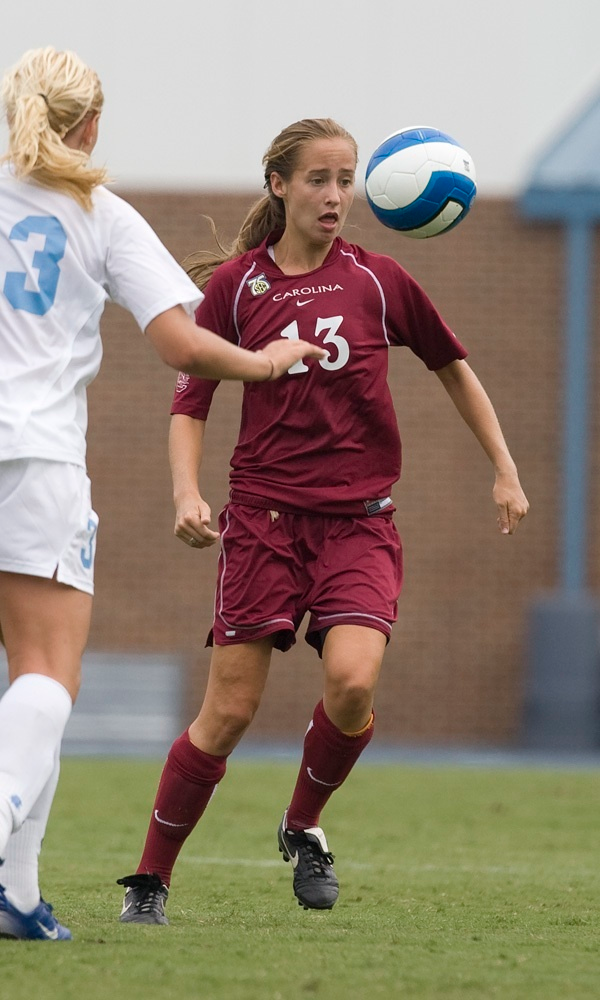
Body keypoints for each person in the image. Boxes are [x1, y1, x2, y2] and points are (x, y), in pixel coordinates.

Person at [117, 117, 529, 924]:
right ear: (279, 185)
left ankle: (303, 823)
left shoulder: (379, 281)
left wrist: (505, 468)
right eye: (318, 180)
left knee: (352, 682)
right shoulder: (236, 287)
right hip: (264, 525)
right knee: (228, 715)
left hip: (359, 525)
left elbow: (454, 369)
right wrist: (185, 495)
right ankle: (151, 880)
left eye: (345, 180)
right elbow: (189, 405)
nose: (336, 196)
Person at [0, 50, 325, 942]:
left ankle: (19, 899)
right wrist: (262, 361)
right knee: (45, 673)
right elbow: (183, 346)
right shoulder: (98, 214)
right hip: (32, 461)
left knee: (29, 689)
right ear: (92, 124)